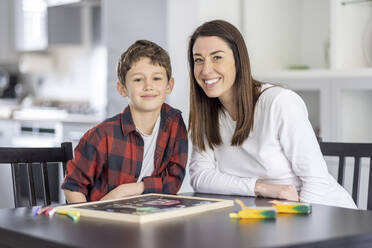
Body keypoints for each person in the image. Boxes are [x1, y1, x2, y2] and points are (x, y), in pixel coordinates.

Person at [187, 20, 356, 209]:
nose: (206, 69)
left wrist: (299, 220)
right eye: (198, 60)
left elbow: (315, 182)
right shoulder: (208, 114)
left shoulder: (279, 102)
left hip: (326, 213)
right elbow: (200, 177)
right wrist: (262, 188)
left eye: (216, 57)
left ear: (238, 60)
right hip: (267, 213)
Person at [62, 40, 188, 203]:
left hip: (151, 217)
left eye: (156, 78)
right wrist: (90, 220)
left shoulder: (174, 123)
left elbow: (174, 181)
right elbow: (72, 187)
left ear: (169, 85)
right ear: (122, 89)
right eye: (138, 80)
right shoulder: (102, 136)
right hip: (105, 222)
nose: (148, 86)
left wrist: (127, 189)